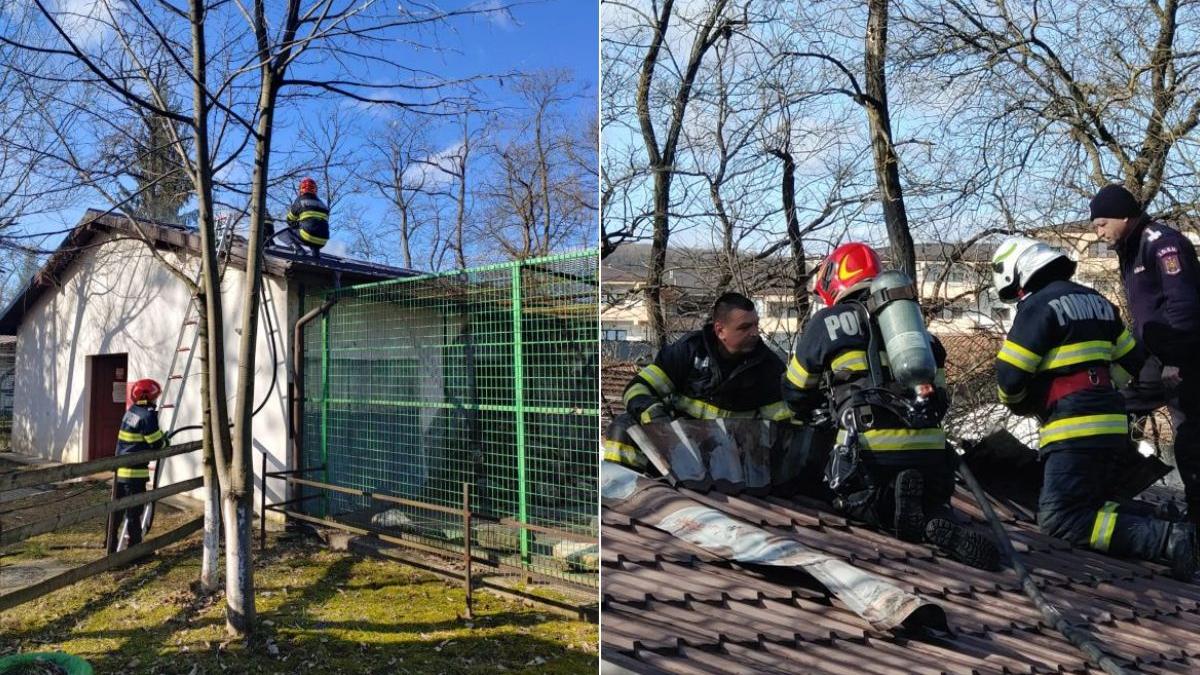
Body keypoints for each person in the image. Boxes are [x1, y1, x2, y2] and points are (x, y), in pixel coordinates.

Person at [782, 242, 999, 569]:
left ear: (834, 280)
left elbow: (794, 391)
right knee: (929, 502)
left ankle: (892, 510)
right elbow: (939, 398)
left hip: (871, 453)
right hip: (931, 453)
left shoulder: (827, 323)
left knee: (847, 500)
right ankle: (932, 516)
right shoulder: (916, 332)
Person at [992, 235, 1196, 580]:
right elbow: (1132, 357)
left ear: (1020, 273)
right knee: (1094, 506)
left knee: (1062, 518)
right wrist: (1098, 383)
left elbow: (1010, 378)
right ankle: (1164, 521)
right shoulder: (1098, 302)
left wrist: (1021, 404)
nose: (1019, 299)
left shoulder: (1039, 306)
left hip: (1072, 430)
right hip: (1112, 427)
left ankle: (1165, 540)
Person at [1091, 183, 1200, 526]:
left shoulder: (1162, 243)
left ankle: (1197, 519)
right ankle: (1107, 486)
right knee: (1117, 405)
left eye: (1102, 223)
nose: (1099, 231)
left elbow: (1183, 305)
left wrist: (1177, 360)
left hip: (1183, 355)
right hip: (1155, 355)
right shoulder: (1131, 247)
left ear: (1125, 216)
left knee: (1190, 436)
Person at [602, 291, 790, 472]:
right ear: (720, 330)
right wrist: (656, 417)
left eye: (756, 325)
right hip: (678, 448)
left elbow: (782, 429)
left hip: (733, 462)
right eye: (744, 327)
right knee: (623, 426)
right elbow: (637, 388)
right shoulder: (689, 351)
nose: (754, 333)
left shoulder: (769, 367)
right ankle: (621, 491)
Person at [114, 378, 169, 549]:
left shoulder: (132, 411)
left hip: (121, 471)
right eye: (155, 397)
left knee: (117, 511)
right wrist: (165, 441)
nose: (156, 400)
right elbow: (157, 443)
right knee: (134, 512)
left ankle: (110, 544)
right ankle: (134, 549)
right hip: (135, 474)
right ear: (148, 397)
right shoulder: (148, 415)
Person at [277, 177, 330, 257]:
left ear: (301, 189)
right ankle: (316, 254)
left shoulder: (300, 201)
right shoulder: (323, 205)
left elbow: (290, 220)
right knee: (316, 231)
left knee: (282, 234)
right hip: (323, 240)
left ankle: (298, 250)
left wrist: (297, 224)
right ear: (315, 190)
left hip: (308, 236)